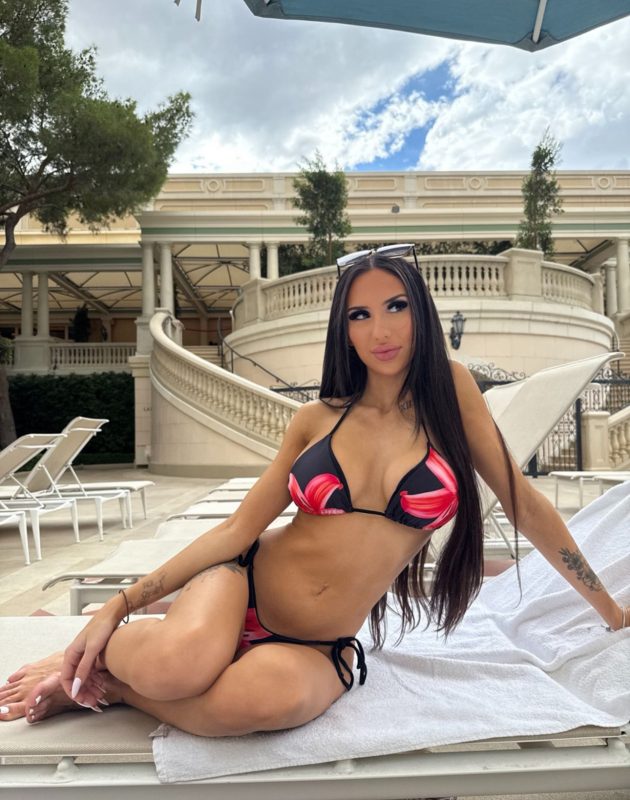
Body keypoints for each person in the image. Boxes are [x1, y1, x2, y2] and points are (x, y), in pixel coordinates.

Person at [1, 245, 627, 735]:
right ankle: (102, 650)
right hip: (242, 583)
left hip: (320, 643)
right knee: (177, 665)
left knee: (259, 704)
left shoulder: (452, 394)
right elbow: (237, 530)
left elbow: (525, 504)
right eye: (360, 314)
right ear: (344, 330)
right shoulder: (316, 419)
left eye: (396, 306)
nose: (381, 329)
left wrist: (612, 613)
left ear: (421, 311)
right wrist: (118, 603)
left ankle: (106, 685)